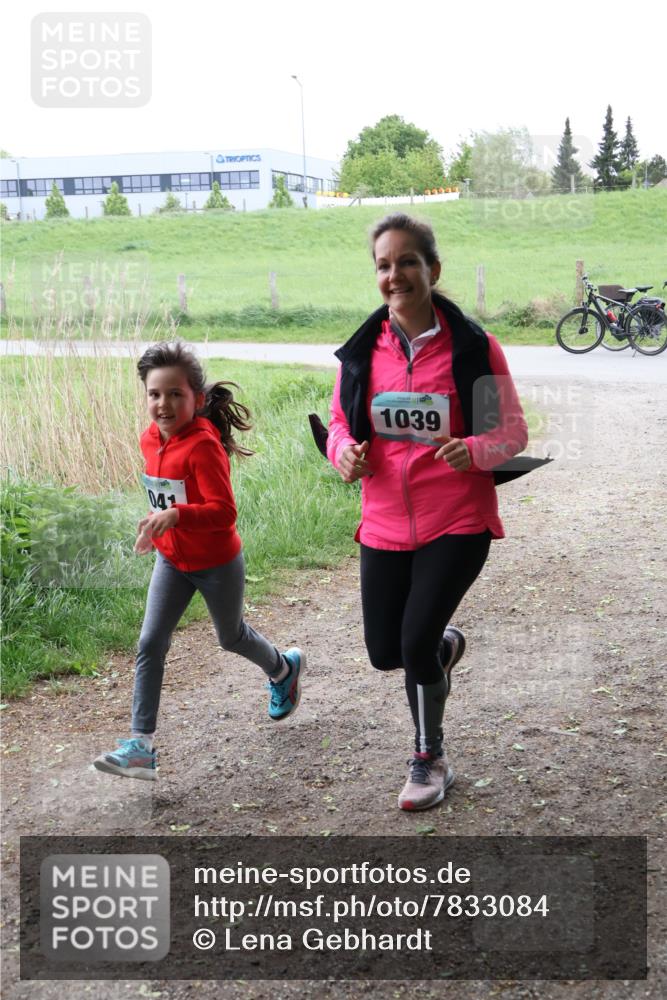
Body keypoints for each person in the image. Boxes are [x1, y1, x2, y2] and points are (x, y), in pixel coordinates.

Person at [324, 213, 529, 811]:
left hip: (457, 518)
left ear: (432, 270)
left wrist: (475, 449)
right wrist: (344, 454)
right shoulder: (363, 352)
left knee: (412, 642)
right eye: (384, 265)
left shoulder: (472, 347)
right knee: (386, 652)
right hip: (383, 520)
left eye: (407, 261)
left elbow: (511, 430)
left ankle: (429, 756)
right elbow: (339, 423)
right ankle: (439, 652)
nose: (395, 275)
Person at [94, 341, 305, 780]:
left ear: (197, 399)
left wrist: (176, 515)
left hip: (216, 563)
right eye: (155, 394)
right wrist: (156, 525)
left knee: (231, 638)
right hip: (172, 560)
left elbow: (224, 512)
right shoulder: (148, 440)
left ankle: (283, 669)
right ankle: (140, 746)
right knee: (151, 642)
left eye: (175, 394)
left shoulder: (204, 447)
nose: (164, 403)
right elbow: (164, 494)